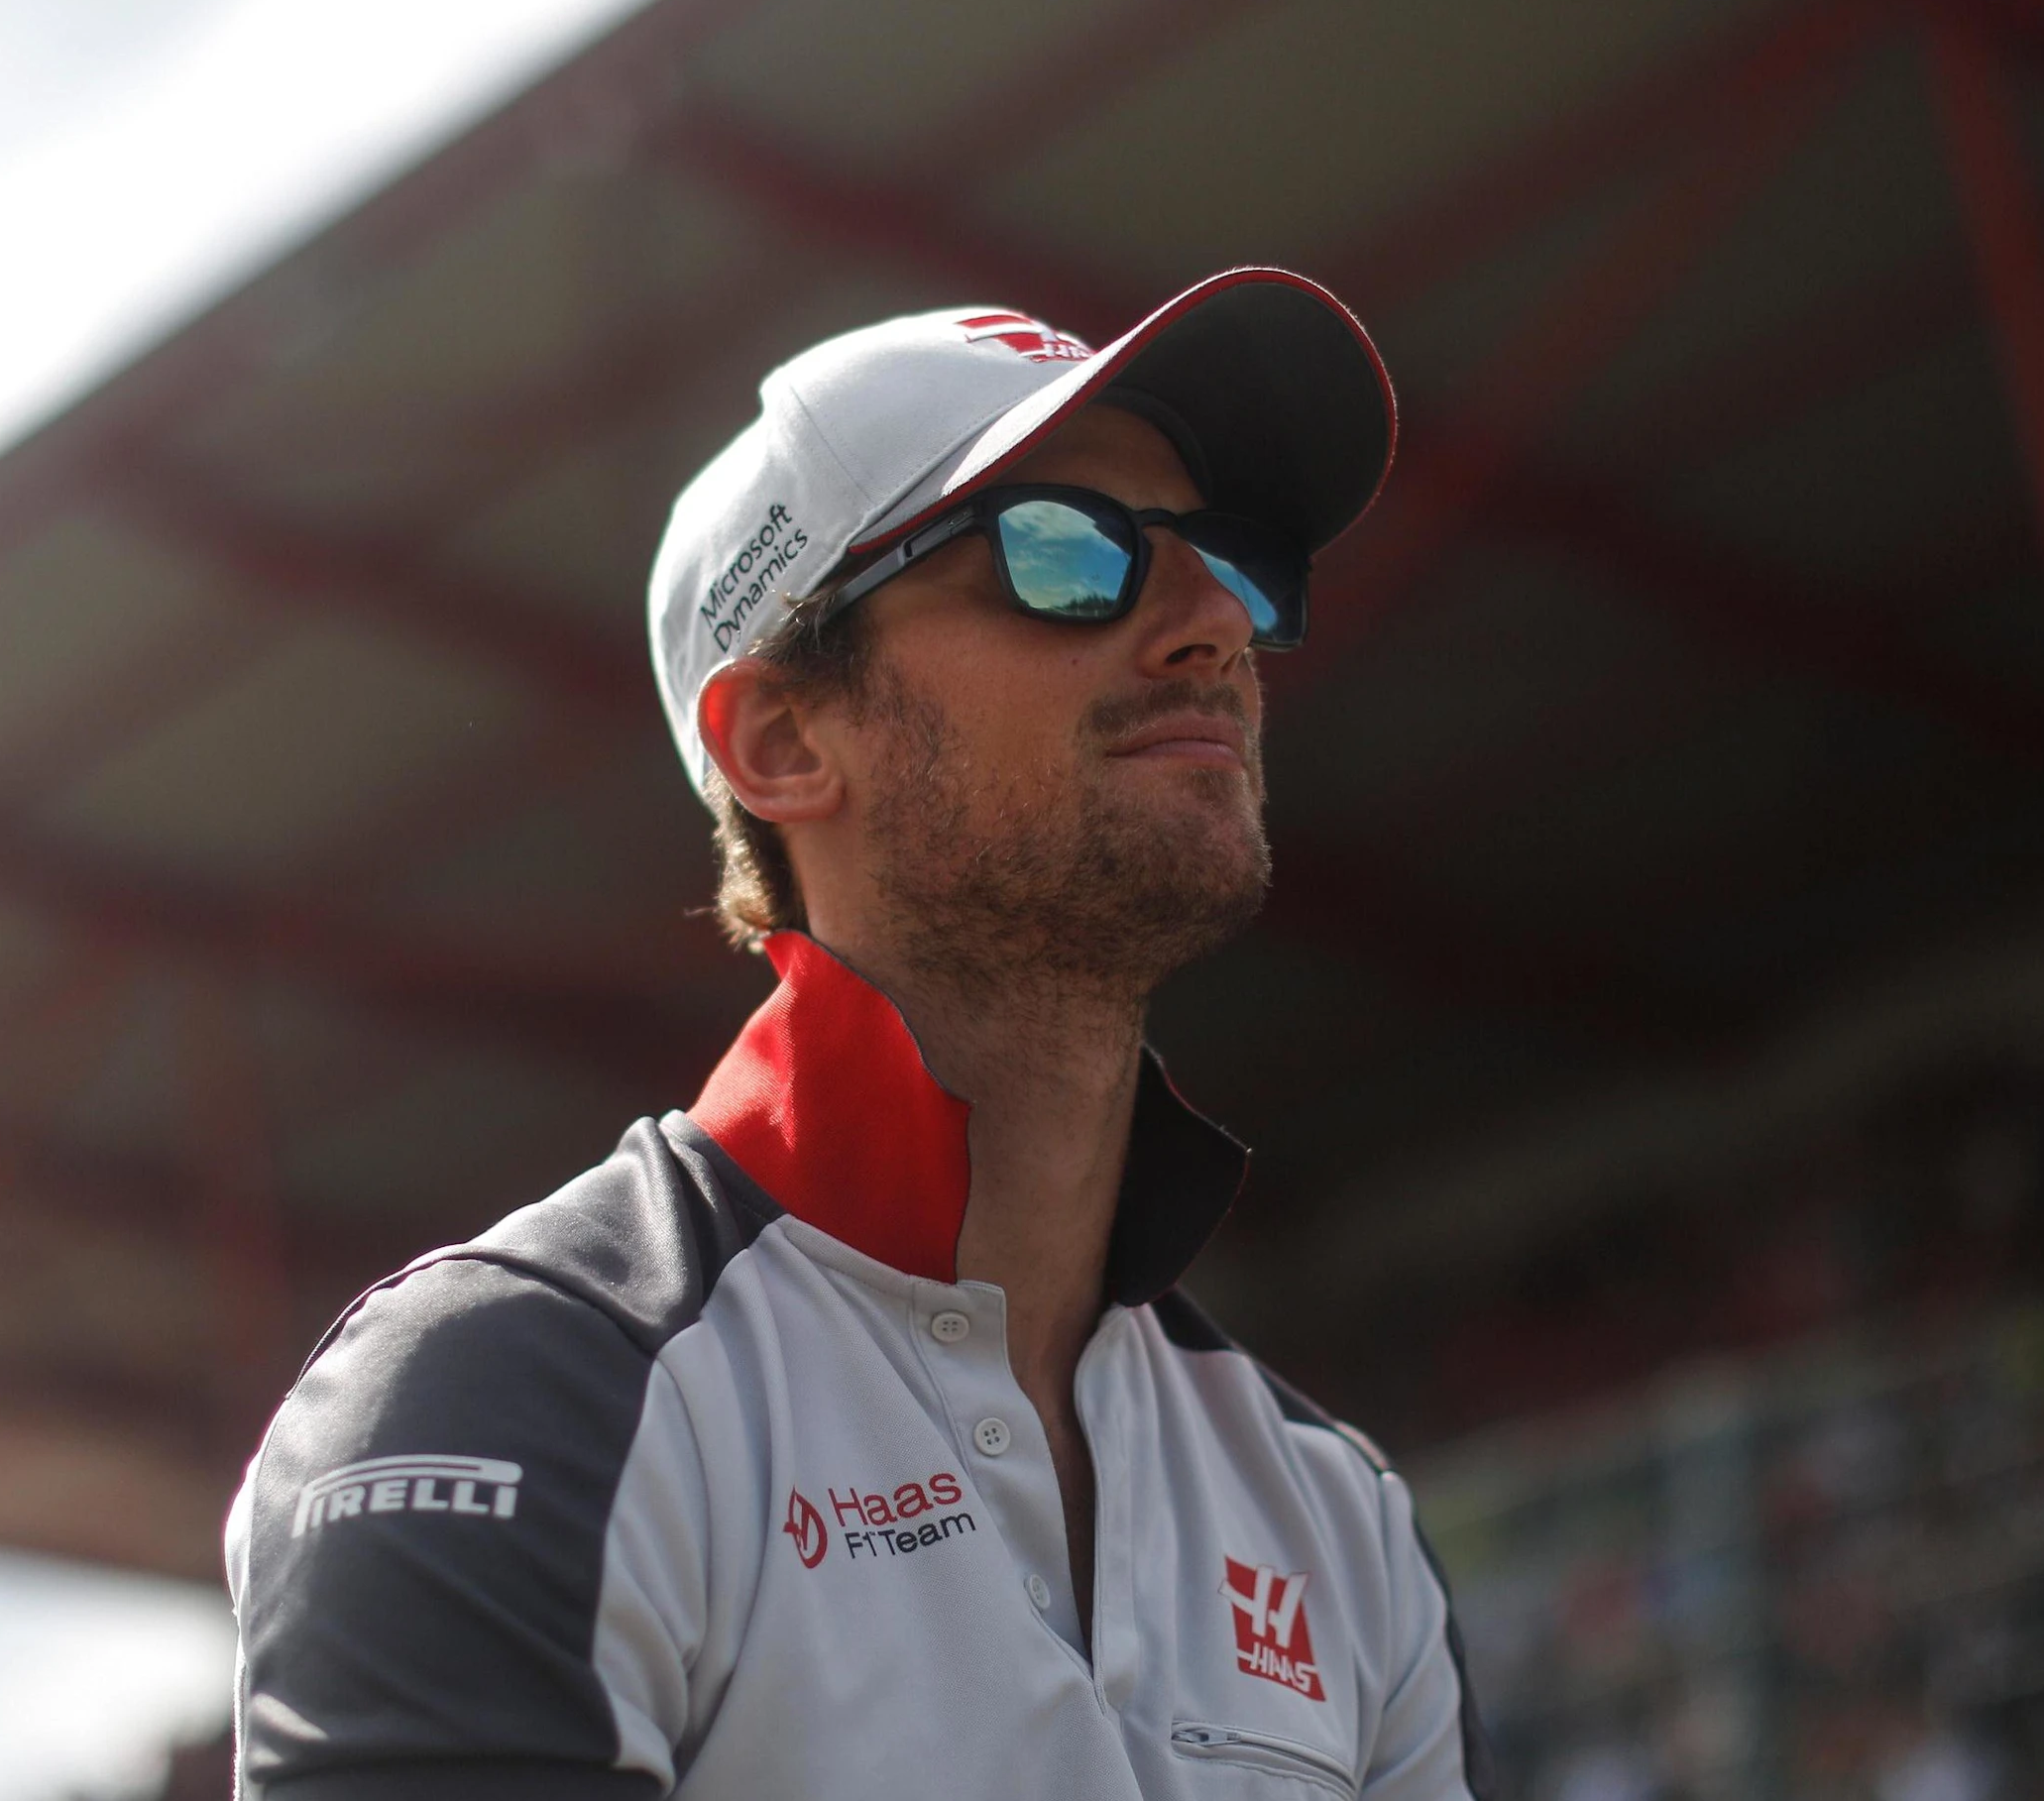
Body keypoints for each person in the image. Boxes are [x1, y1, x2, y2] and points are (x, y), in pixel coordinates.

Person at [227, 269, 1491, 1799]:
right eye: (1063, 552)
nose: (1215, 623)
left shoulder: (1335, 1515)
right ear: (782, 740)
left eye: (1230, 562)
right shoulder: (511, 1389)